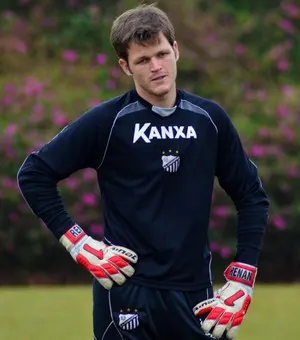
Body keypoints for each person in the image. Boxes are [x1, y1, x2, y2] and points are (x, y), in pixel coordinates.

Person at [17, 3, 269, 340]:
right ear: (125, 66)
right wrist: (79, 243)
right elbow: (34, 174)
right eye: (143, 60)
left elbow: (252, 195)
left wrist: (243, 275)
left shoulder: (210, 120)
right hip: (125, 292)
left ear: (176, 50)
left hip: (196, 296)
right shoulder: (108, 122)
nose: (157, 66)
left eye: (162, 54)